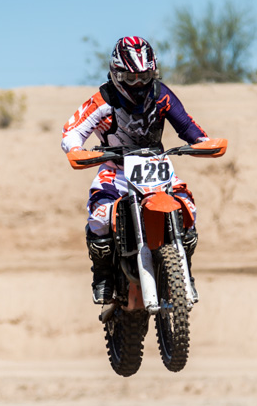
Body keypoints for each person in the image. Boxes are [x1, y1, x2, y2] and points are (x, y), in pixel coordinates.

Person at [61, 36, 214, 304]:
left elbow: (187, 125)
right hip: (116, 171)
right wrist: (75, 149)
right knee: (99, 217)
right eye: (130, 78)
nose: (139, 84)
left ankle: (184, 273)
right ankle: (103, 277)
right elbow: (72, 130)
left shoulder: (161, 94)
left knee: (188, 209)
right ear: (116, 74)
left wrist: (203, 142)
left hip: (157, 167)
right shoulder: (103, 100)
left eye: (144, 76)